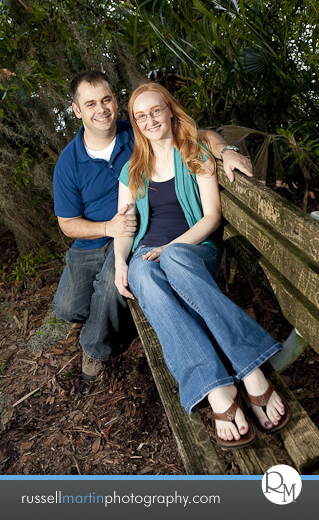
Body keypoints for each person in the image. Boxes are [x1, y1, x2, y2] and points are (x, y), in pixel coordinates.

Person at [114, 83, 291, 449]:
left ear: (170, 110)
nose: (150, 120)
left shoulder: (194, 153)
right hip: (149, 255)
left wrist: (169, 247)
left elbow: (211, 218)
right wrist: (120, 262)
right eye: (140, 115)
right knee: (141, 270)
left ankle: (251, 369)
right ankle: (217, 388)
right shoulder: (133, 170)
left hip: (194, 253)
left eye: (156, 110)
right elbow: (124, 224)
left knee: (175, 258)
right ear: (134, 122)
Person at [53, 70, 253, 383]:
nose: (101, 109)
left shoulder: (137, 129)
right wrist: (109, 227)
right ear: (78, 111)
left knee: (112, 285)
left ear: (116, 102)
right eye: (90, 104)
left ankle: (95, 347)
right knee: (66, 308)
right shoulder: (68, 162)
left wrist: (226, 150)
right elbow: (67, 224)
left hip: (137, 232)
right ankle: (118, 320)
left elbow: (197, 136)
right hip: (96, 237)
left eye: (106, 99)